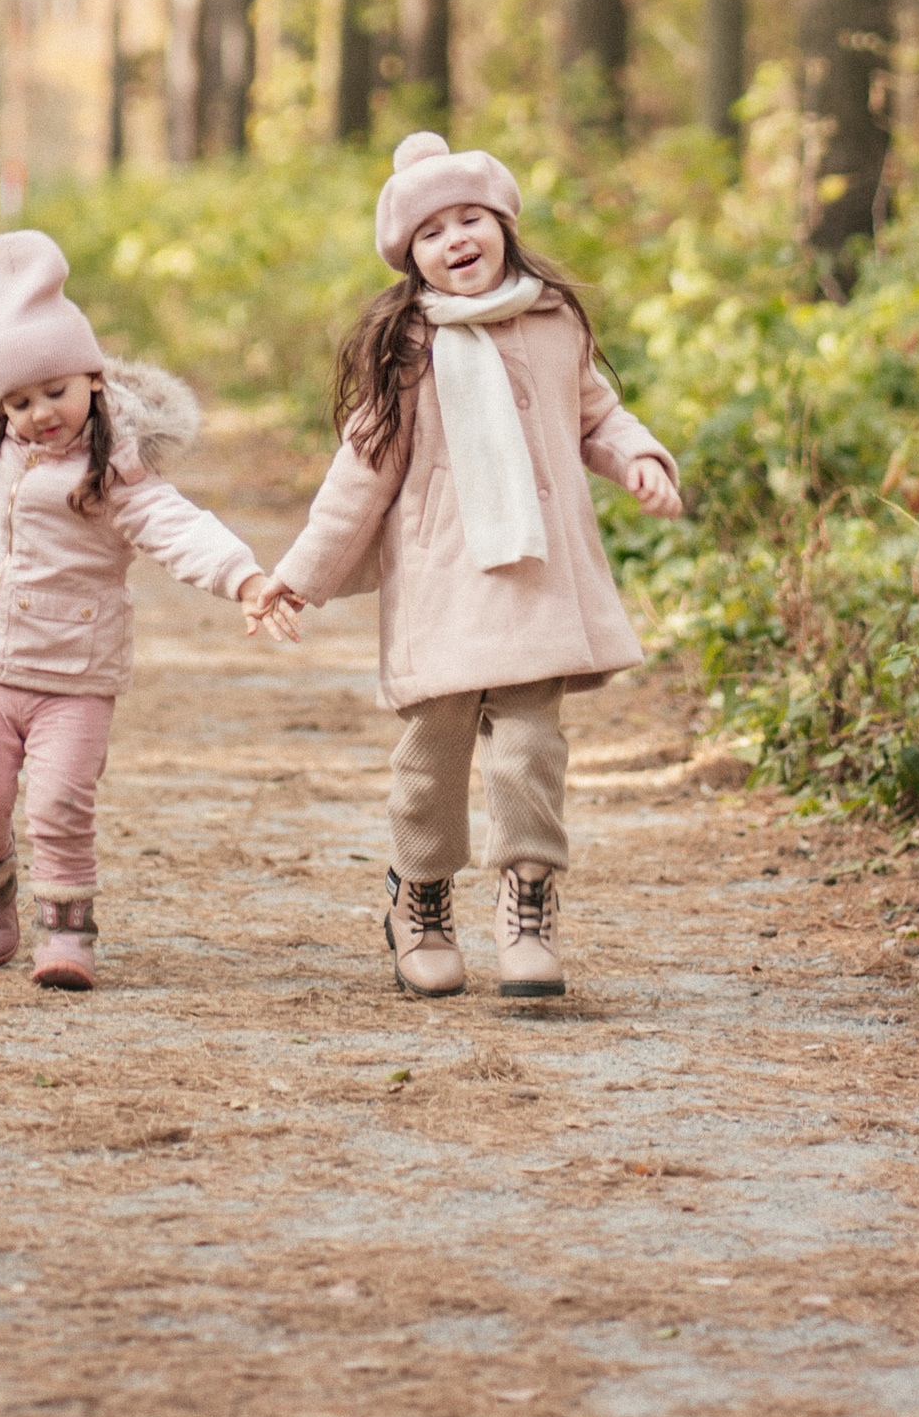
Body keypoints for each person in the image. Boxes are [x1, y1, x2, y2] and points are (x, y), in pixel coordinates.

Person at [251, 133, 682, 1005]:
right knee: (431, 759)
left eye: (470, 219)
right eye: (431, 231)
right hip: (443, 584)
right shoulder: (406, 349)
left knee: (530, 751)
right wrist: (298, 574)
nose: (455, 239)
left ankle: (528, 904)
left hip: (536, 579)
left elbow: (597, 415)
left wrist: (639, 457)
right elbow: (361, 474)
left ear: (504, 225)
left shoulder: (554, 322)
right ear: (409, 256)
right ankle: (421, 897)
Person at [0, 229, 297, 990]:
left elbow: (177, 527)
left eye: (55, 392)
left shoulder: (114, 471)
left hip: (74, 677)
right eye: (19, 401)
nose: (40, 413)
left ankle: (67, 929)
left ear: (93, 380)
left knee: (61, 803)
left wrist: (242, 576)